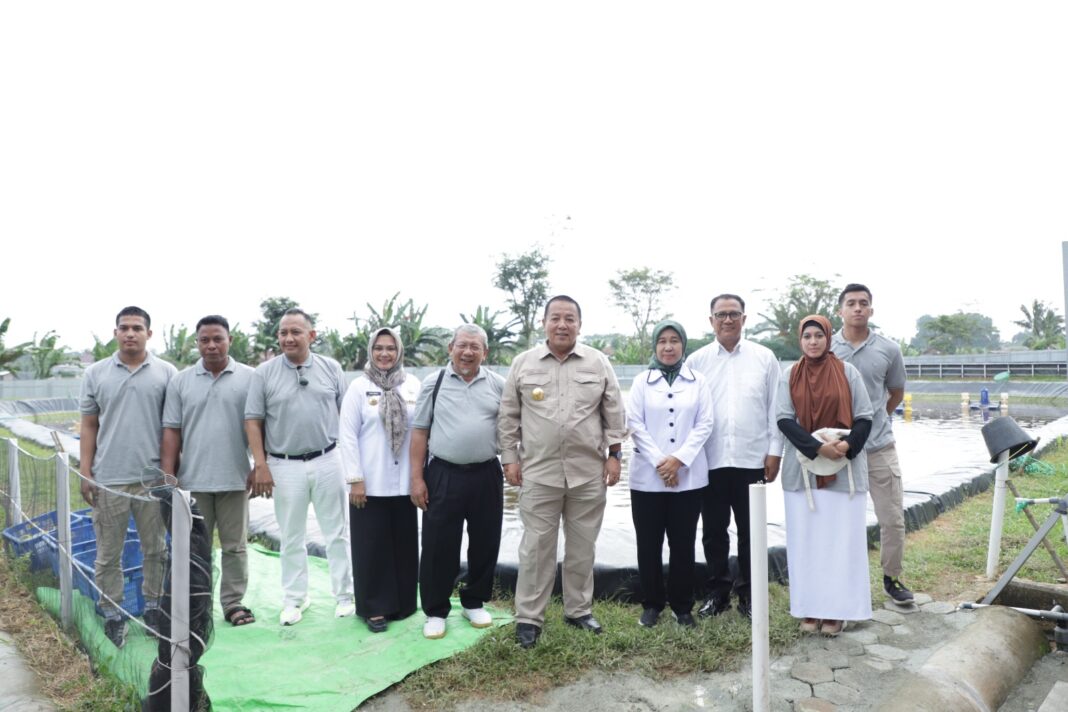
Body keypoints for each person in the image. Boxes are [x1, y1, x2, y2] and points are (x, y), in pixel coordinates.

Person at [498, 295, 627, 649]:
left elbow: (614, 413)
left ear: (579, 325)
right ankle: (529, 617)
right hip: (538, 472)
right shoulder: (523, 364)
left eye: (570, 318)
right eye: (555, 318)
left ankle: (578, 610)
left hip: (588, 473)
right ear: (544, 323)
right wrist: (509, 459)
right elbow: (508, 416)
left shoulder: (598, 362)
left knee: (582, 547)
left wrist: (615, 455)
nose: (562, 324)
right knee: (536, 548)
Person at [245, 308, 355, 626]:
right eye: (283, 333)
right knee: (291, 535)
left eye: (295, 332)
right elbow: (252, 421)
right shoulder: (263, 374)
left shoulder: (331, 368)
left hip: (327, 459)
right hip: (284, 464)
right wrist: (260, 464)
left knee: (337, 533)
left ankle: (345, 595)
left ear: (312, 335)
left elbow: (346, 416)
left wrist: (351, 465)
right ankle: (295, 598)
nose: (288, 338)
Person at [80, 306, 177, 648]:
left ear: (149, 333)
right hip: (109, 478)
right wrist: (86, 471)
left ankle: (153, 608)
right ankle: (113, 614)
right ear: (115, 333)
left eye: (137, 328)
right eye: (124, 328)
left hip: (153, 479)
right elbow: (89, 425)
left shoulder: (167, 373)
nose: (130, 333)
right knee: (109, 553)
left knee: (156, 549)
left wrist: (170, 473)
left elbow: (173, 427)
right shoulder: (96, 373)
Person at [776, 315, 873, 636]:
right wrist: (818, 448)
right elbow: (784, 419)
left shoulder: (848, 372)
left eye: (819, 335)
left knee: (841, 542)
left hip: (844, 471)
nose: (813, 341)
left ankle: (837, 611)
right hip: (802, 472)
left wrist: (844, 446)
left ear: (828, 338)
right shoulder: (789, 375)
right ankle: (810, 608)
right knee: (806, 542)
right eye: (807, 336)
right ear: (800, 340)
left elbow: (865, 417)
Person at [687, 294, 782, 619]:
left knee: (751, 531)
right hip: (710, 460)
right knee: (713, 531)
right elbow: (689, 411)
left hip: (751, 459)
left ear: (744, 318)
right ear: (711, 320)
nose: (727, 320)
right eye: (721, 314)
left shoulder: (764, 358)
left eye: (734, 314)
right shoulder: (696, 361)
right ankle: (717, 593)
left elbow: (775, 408)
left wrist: (775, 452)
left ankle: (750, 595)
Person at [410, 324, 506, 640]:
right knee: (438, 544)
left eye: (475, 347)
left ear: (485, 352)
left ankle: (474, 601)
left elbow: (509, 430)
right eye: (462, 345)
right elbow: (420, 432)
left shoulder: (498, 385)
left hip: (486, 473)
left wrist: (514, 462)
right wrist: (416, 479)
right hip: (443, 473)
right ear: (451, 348)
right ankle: (436, 611)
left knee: (486, 541)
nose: (467, 352)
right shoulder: (434, 382)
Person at [161, 315, 256, 627]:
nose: (212, 345)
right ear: (197, 343)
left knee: (235, 546)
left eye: (218, 339)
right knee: (193, 549)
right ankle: (196, 606)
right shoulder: (181, 381)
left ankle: (233, 603)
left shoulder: (250, 378)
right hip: (193, 482)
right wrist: (168, 474)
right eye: (205, 340)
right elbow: (172, 430)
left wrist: (260, 466)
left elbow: (260, 426)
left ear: (230, 341)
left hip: (236, 479)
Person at [626, 320, 714, 628]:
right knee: (648, 544)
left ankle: (682, 606)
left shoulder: (698, 381)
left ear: (683, 345)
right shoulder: (641, 381)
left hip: (688, 477)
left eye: (674, 340)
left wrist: (678, 460)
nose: (668, 346)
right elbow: (634, 424)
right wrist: (661, 463)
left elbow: (705, 424)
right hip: (647, 479)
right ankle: (652, 604)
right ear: (655, 346)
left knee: (683, 543)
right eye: (662, 341)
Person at [831, 283, 914, 605]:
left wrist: (876, 419)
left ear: (871, 309)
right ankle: (841, 582)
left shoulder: (888, 349)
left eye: (863, 303)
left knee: (892, 518)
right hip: (839, 450)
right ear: (840, 310)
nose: (857, 308)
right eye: (851, 303)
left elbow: (896, 392)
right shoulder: (827, 347)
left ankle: (892, 578)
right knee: (840, 520)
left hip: (880, 446)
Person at [340, 327, 422, 633]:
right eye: (378, 348)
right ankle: (374, 607)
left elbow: (421, 432)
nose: (384, 354)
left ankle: (403, 604)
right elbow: (347, 436)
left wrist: (419, 477)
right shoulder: (358, 388)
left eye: (390, 348)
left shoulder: (412, 385)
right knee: (371, 547)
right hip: (369, 484)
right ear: (371, 351)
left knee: (404, 545)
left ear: (399, 351)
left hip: (404, 483)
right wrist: (355, 479)